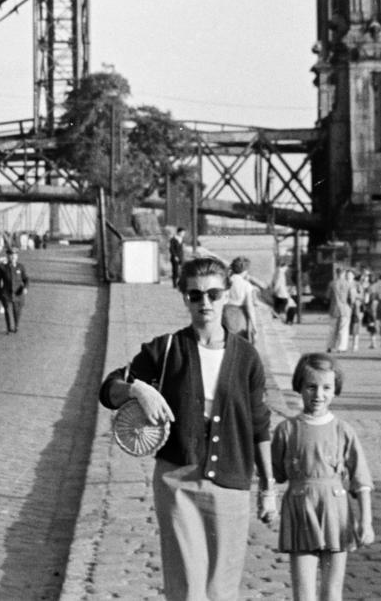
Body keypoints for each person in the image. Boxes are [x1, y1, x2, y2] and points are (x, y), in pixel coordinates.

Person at [99, 256, 275, 600]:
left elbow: (259, 424)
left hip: (232, 482)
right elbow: (109, 389)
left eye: (212, 294)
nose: (204, 303)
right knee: (186, 590)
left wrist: (269, 486)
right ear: (185, 298)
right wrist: (139, 389)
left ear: (227, 295)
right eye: (195, 295)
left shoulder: (247, 358)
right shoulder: (166, 349)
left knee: (221, 590)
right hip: (177, 482)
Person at [270, 353, 375, 601]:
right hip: (300, 509)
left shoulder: (343, 430)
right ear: (299, 387)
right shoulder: (287, 430)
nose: (318, 395)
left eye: (326, 388)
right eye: (311, 387)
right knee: (303, 593)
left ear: (335, 389)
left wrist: (366, 521)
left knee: (332, 592)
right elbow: (274, 474)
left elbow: (361, 481)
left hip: (335, 512)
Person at [222, 257, 258, 344]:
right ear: (245, 271)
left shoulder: (225, 282)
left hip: (224, 313)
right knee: (240, 342)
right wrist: (254, 325)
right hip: (240, 316)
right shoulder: (246, 285)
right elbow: (250, 307)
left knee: (226, 342)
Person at [0, 243, 29, 333]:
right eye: (11, 255)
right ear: (8, 256)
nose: (13, 257)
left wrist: (25, 288)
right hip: (6, 292)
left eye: (15, 255)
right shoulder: (3, 267)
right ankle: (9, 327)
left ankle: (16, 325)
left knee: (16, 311)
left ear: (17, 257)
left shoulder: (20, 267)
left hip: (18, 293)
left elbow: (26, 279)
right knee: (7, 310)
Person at [326, 267, 357, 353]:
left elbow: (327, 296)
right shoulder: (349, 284)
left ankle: (330, 346)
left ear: (336, 273)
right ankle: (341, 347)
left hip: (334, 308)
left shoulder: (332, 283)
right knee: (343, 329)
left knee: (332, 329)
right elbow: (352, 298)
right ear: (344, 274)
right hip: (345, 309)